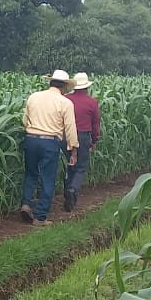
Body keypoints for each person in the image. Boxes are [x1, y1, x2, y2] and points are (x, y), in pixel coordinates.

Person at [19, 70, 78, 226]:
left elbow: (25, 120)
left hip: (31, 138)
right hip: (49, 142)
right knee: (48, 178)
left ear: (50, 82)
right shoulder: (65, 103)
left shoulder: (34, 97)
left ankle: (26, 204)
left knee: (31, 173)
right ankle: (40, 217)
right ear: (64, 87)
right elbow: (70, 128)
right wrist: (73, 149)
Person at [61, 72, 101, 212]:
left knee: (69, 164)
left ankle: (67, 194)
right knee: (81, 167)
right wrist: (94, 140)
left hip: (65, 135)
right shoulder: (92, 102)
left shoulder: (66, 99)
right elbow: (96, 124)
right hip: (83, 136)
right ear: (87, 87)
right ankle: (72, 190)